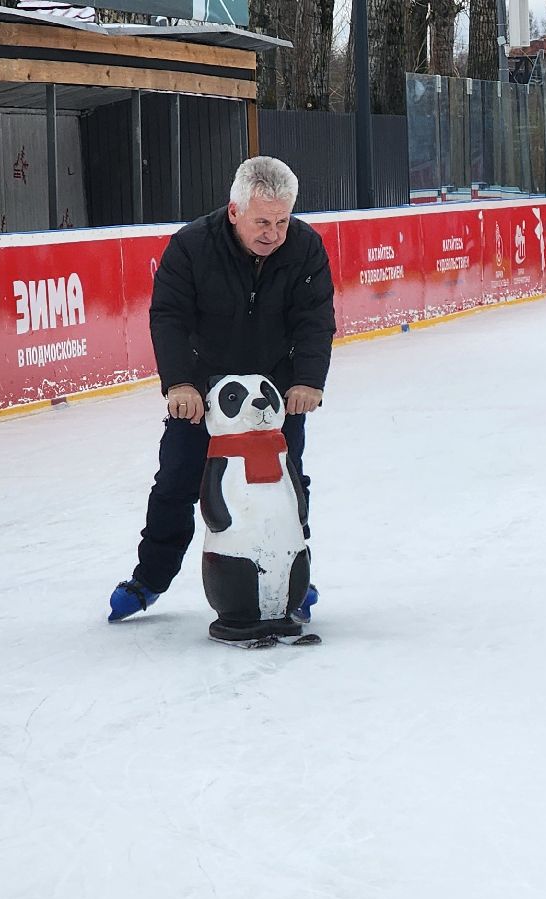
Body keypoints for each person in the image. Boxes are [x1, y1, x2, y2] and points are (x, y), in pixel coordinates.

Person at [108, 156, 336, 623]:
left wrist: (308, 381)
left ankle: (291, 575)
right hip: (205, 392)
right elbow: (169, 318)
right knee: (176, 482)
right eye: (261, 222)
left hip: (272, 395)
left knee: (287, 486)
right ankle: (150, 578)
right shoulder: (191, 247)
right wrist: (181, 384)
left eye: (282, 221)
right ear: (234, 211)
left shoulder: (306, 248)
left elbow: (315, 319)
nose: (273, 233)